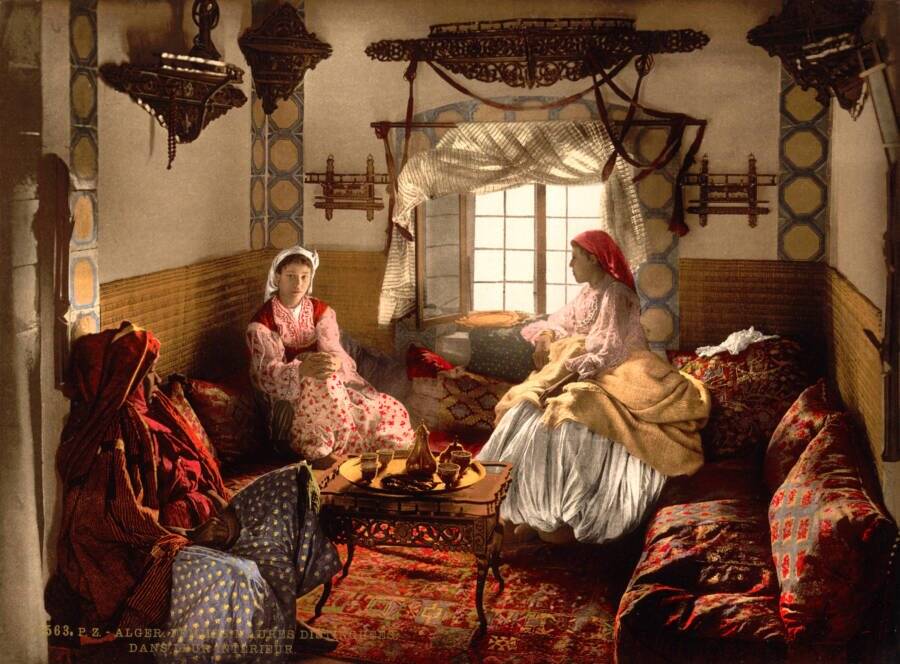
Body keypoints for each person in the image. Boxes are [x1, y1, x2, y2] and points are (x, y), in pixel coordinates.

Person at [476, 230, 710, 545]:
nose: (570, 265)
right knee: (526, 407)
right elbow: (561, 322)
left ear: (594, 259)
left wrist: (571, 374)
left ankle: (565, 516)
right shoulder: (589, 292)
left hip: (620, 368)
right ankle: (529, 512)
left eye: (575, 258)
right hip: (588, 364)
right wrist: (547, 335)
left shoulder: (616, 294)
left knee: (572, 413)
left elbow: (608, 349)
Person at [47, 322, 230, 632]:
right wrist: (192, 534)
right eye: (150, 373)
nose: (157, 380)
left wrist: (213, 503)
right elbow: (123, 517)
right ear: (128, 379)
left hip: (199, 518)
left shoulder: (155, 410)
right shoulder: (114, 434)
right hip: (156, 540)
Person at [246, 245, 414, 468]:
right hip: (292, 397)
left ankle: (365, 446)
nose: (298, 284)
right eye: (291, 276)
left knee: (384, 409)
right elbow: (265, 373)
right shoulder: (263, 323)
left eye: (304, 277)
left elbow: (334, 349)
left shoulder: (320, 311)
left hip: (331, 385)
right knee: (321, 381)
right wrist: (300, 370)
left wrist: (334, 361)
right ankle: (318, 449)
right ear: (277, 278)